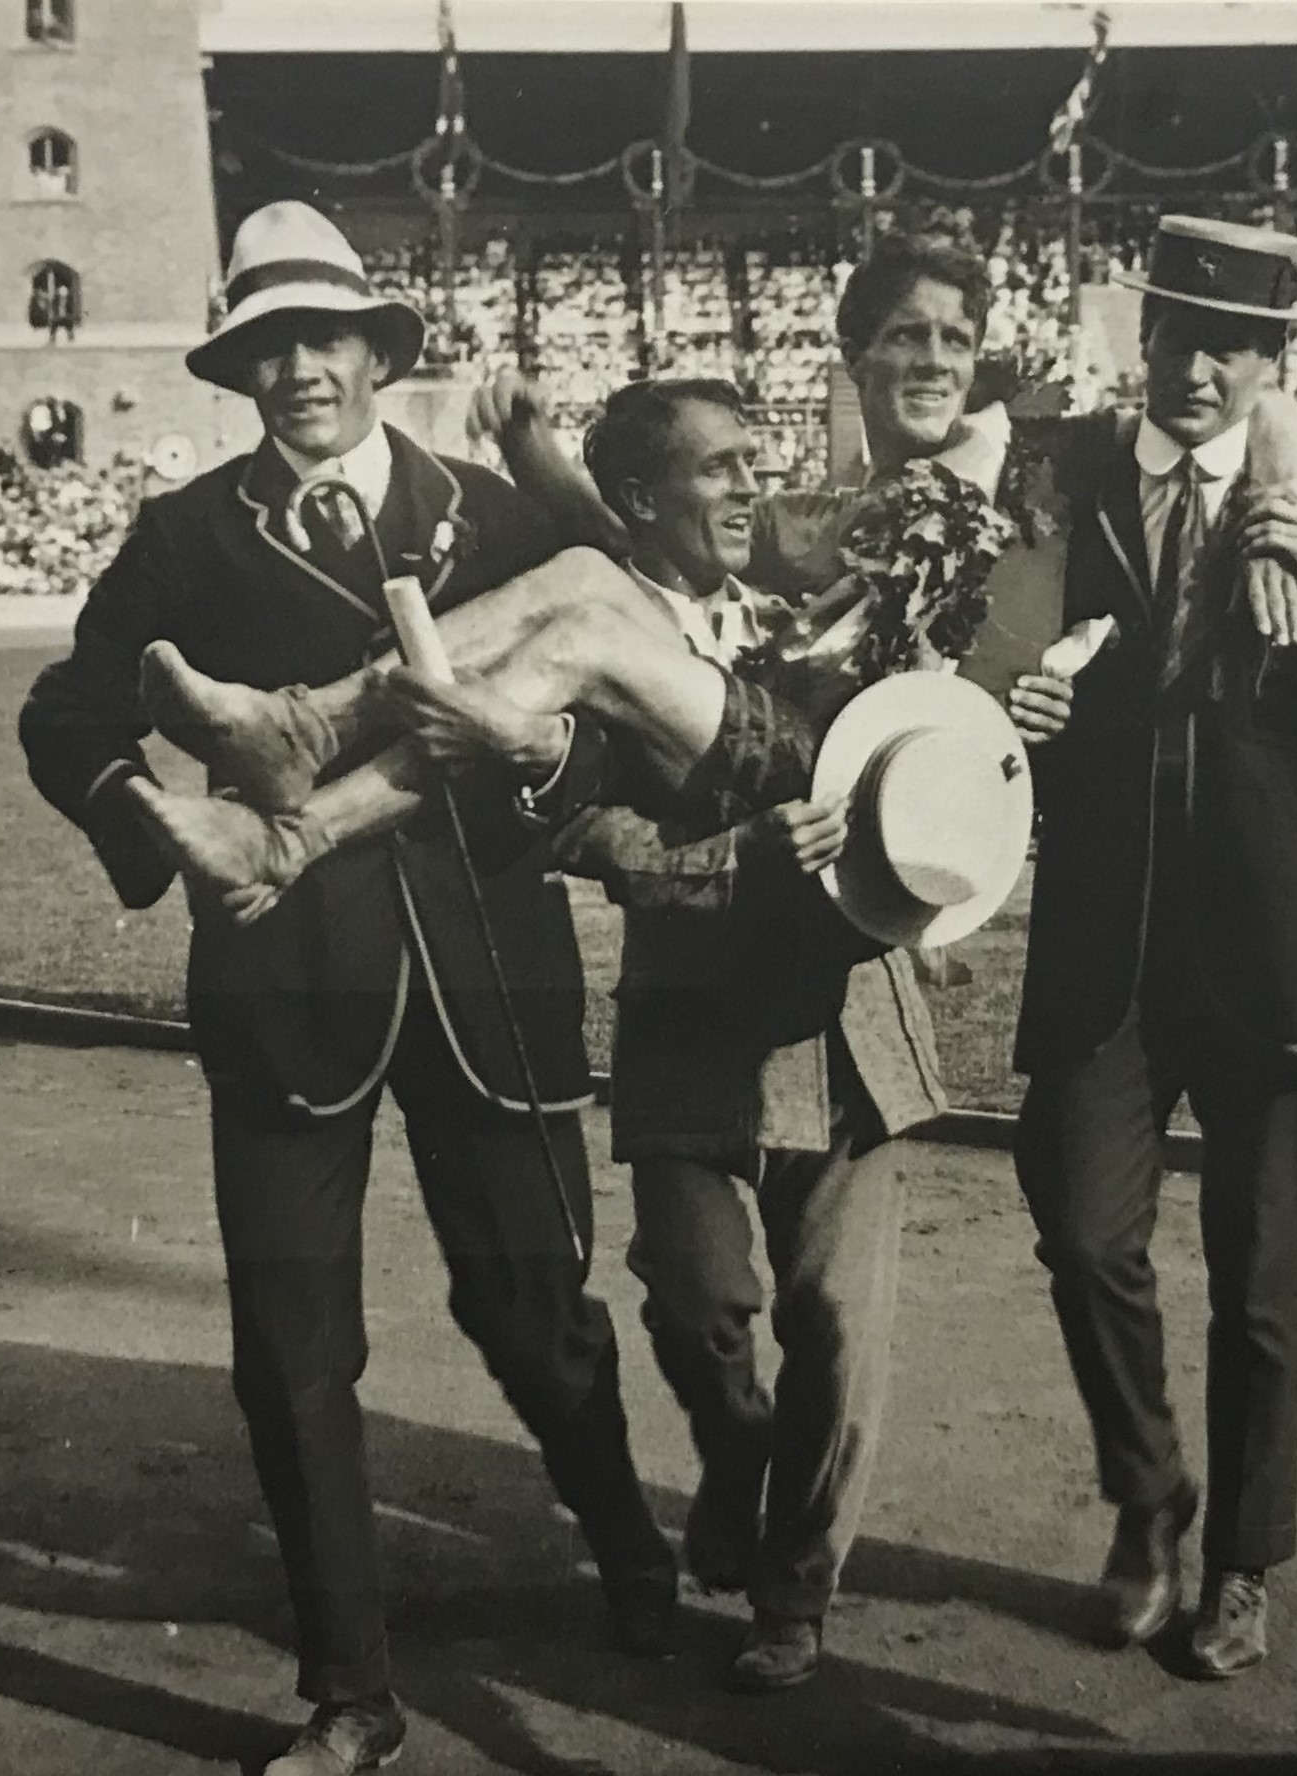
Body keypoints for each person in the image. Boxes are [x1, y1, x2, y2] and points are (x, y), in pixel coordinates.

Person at [16, 200, 675, 1776]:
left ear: (380, 352)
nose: (298, 367)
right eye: (266, 344)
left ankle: (632, 1550)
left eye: (324, 336)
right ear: (238, 368)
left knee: (533, 1314)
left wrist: (519, 762)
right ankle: (350, 1693)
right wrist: (156, 829)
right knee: (291, 1346)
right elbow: (62, 714)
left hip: (487, 975)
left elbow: (593, 730)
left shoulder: (493, 519)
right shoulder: (182, 534)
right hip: (281, 973)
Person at [1002, 214, 1297, 1679]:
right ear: (1136, 337)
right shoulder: (1051, 486)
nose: (1198, 367)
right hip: (1099, 946)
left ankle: (1243, 1565)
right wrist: (1002, 701)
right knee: (1081, 1237)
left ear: (1273, 364)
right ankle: (1150, 1496)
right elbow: (972, 638)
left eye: (1234, 346)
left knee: (1260, 1285)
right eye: (1176, 334)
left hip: (1268, 954)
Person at [131, 231, 1020, 923]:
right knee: (588, 578)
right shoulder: (827, 509)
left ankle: (302, 779)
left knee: (588, 629)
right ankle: (306, 741)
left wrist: (1041, 703)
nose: (935, 358)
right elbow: (637, 531)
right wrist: (533, 447)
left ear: (982, 359)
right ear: (857, 358)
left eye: (955, 339)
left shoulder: (1034, 488)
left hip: (867, 779)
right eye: (909, 335)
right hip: (786, 756)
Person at [542, 375, 950, 1694]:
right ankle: (735, 1467)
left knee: (834, 1323)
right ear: (639, 499)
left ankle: (794, 1593)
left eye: (752, 462)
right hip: (688, 1026)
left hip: (844, 1030)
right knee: (704, 1310)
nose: (744, 489)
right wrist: (726, 855)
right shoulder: (594, 643)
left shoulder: (813, 616)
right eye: (714, 469)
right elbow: (576, 827)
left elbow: (922, 766)